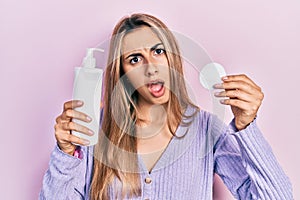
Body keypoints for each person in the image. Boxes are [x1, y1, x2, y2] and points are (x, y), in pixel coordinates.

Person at [39, 13, 293, 200]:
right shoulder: (94, 129)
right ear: (122, 73)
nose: (151, 67)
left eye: (158, 51)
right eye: (135, 59)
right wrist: (65, 152)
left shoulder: (206, 130)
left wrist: (247, 125)